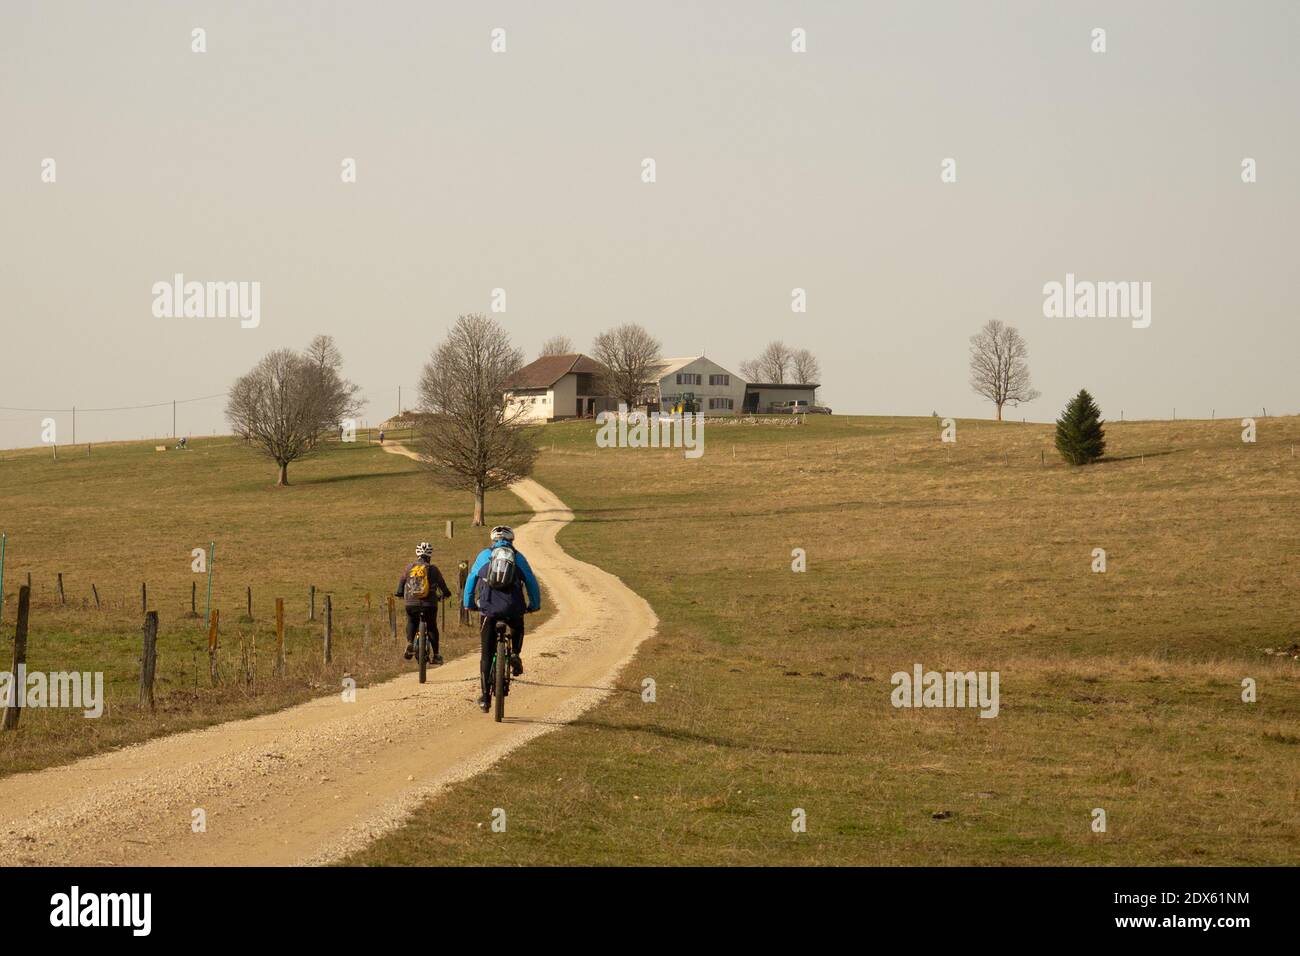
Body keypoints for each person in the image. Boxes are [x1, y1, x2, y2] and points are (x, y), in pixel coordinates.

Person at [462, 526, 540, 712]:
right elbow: (531, 581)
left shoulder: (484, 556)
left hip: (488, 609)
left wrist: (469, 603)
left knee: (486, 655)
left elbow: (471, 580)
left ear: (493, 541)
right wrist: (534, 604)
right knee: (517, 623)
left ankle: (485, 698)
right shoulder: (518, 557)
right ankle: (514, 654)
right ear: (511, 541)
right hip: (513, 608)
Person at [396, 542, 450, 665]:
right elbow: (443, 586)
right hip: (429, 604)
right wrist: (446, 593)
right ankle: (436, 655)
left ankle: (410, 643)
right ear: (430, 555)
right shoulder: (433, 569)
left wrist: (399, 593)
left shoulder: (410, 567)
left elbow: (401, 582)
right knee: (431, 626)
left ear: (417, 554)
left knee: (411, 621)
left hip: (411, 603)